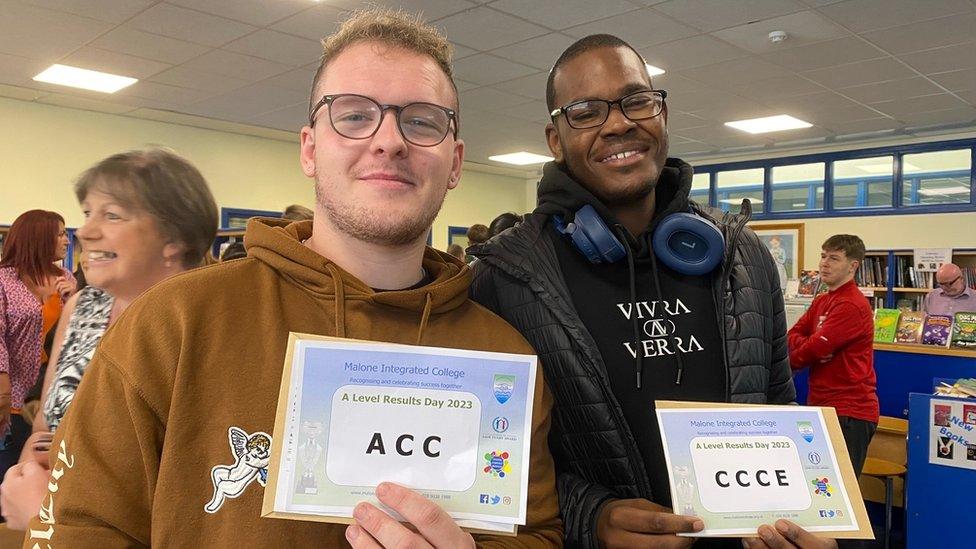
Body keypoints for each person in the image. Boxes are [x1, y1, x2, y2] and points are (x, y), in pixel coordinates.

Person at [22, 9, 560, 548]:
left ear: (456, 160)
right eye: (353, 115)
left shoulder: (503, 357)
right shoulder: (173, 323)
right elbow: (80, 528)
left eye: (422, 121)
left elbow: (534, 534)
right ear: (309, 148)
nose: (389, 140)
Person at [470, 34, 817, 549]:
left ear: (662, 114)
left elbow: (778, 410)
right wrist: (591, 517)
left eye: (637, 100)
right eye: (586, 110)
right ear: (555, 138)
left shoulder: (744, 256)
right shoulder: (506, 276)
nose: (618, 122)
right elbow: (488, 456)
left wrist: (798, 520)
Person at [0, 149, 219, 532]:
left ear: (174, 238)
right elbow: (48, 424)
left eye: (112, 215)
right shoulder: (84, 307)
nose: (85, 232)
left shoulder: (208, 323)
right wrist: (31, 461)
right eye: (88, 214)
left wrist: (44, 518)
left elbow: (193, 484)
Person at [788, 234, 878, 478]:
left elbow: (811, 350)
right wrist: (815, 347)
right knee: (822, 486)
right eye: (823, 256)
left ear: (853, 266)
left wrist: (813, 349)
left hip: (850, 412)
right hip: (821, 406)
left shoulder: (851, 304)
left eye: (834, 258)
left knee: (842, 490)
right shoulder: (822, 301)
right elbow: (794, 335)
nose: (824, 263)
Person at [0, 210, 75, 482]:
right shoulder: (4, 280)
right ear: (39, 239)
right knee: (8, 468)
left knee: (41, 473)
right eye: (60, 234)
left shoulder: (65, 277)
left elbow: (69, 339)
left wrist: (72, 300)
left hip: (47, 395)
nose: (66, 241)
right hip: (9, 392)